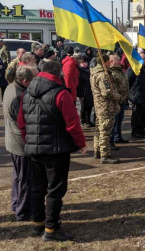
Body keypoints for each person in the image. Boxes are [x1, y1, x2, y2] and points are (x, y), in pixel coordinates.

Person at [17, 61, 87, 241]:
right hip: (56, 149)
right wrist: (80, 143)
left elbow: (21, 122)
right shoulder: (61, 93)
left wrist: (29, 141)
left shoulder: (27, 92)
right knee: (55, 189)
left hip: (34, 148)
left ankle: (38, 224)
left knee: (37, 188)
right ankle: (51, 228)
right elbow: (72, 122)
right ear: (59, 74)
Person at [4, 66, 38, 221]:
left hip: (12, 141)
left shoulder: (10, 87)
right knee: (25, 179)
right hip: (20, 144)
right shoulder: (19, 96)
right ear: (25, 81)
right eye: (34, 80)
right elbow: (25, 122)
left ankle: (16, 203)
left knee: (18, 176)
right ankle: (23, 212)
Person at [91, 55, 121, 164]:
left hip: (100, 106)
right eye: (109, 61)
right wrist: (118, 96)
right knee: (105, 131)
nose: (110, 63)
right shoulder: (103, 75)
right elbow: (106, 92)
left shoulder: (94, 73)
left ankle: (97, 150)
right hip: (106, 107)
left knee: (99, 129)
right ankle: (105, 155)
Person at [128, 52, 145, 138]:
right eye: (143, 58)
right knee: (136, 114)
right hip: (137, 95)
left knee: (143, 114)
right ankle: (135, 131)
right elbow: (128, 81)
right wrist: (131, 94)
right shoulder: (133, 68)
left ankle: (141, 129)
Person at [109, 54, 129, 145]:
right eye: (117, 60)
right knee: (114, 121)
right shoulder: (110, 72)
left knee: (120, 120)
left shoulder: (120, 70)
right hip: (115, 100)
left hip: (123, 100)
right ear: (112, 61)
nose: (120, 61)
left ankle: (118, 136)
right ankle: (112, 140)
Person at [77, 57, 94, 127]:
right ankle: (83, 120)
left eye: (85, 62)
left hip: (90, 91)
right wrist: (80, 95)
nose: (84, 64)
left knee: (90, 106)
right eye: (82, 62)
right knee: (84, 107)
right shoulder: (79, 72)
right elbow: (79, 85)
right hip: (83, 91)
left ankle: (88, 120)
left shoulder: (89, 71)